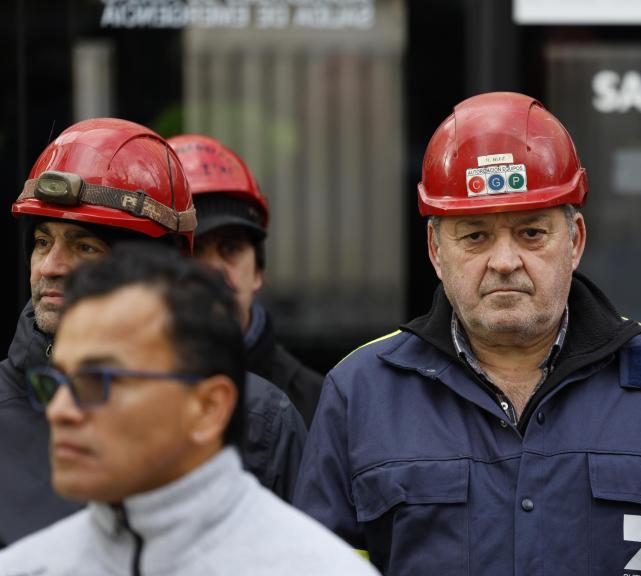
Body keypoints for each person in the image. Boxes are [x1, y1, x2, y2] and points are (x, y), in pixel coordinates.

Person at [293, 91, 641, 576]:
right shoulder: (359, 393)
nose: (504, 262)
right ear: (435, 251)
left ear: (575, 242)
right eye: (476, 235)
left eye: (531, 233)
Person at [0, 118, 304, 547]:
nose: (51, 267)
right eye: (43, 241)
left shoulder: (261, 422)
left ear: (152, 268)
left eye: (85, 246)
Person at [0, 244, 379, 575]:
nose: (60, 411)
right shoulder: (27, 567)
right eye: (55, 383)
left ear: (209, 408)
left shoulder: (315, 568)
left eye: (98, 381)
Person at [168, 134, 323, 425]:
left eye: (230, 249)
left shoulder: (316, 404)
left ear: (258, 272)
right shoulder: (119, 392)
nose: (213, 268)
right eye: (193, 249)